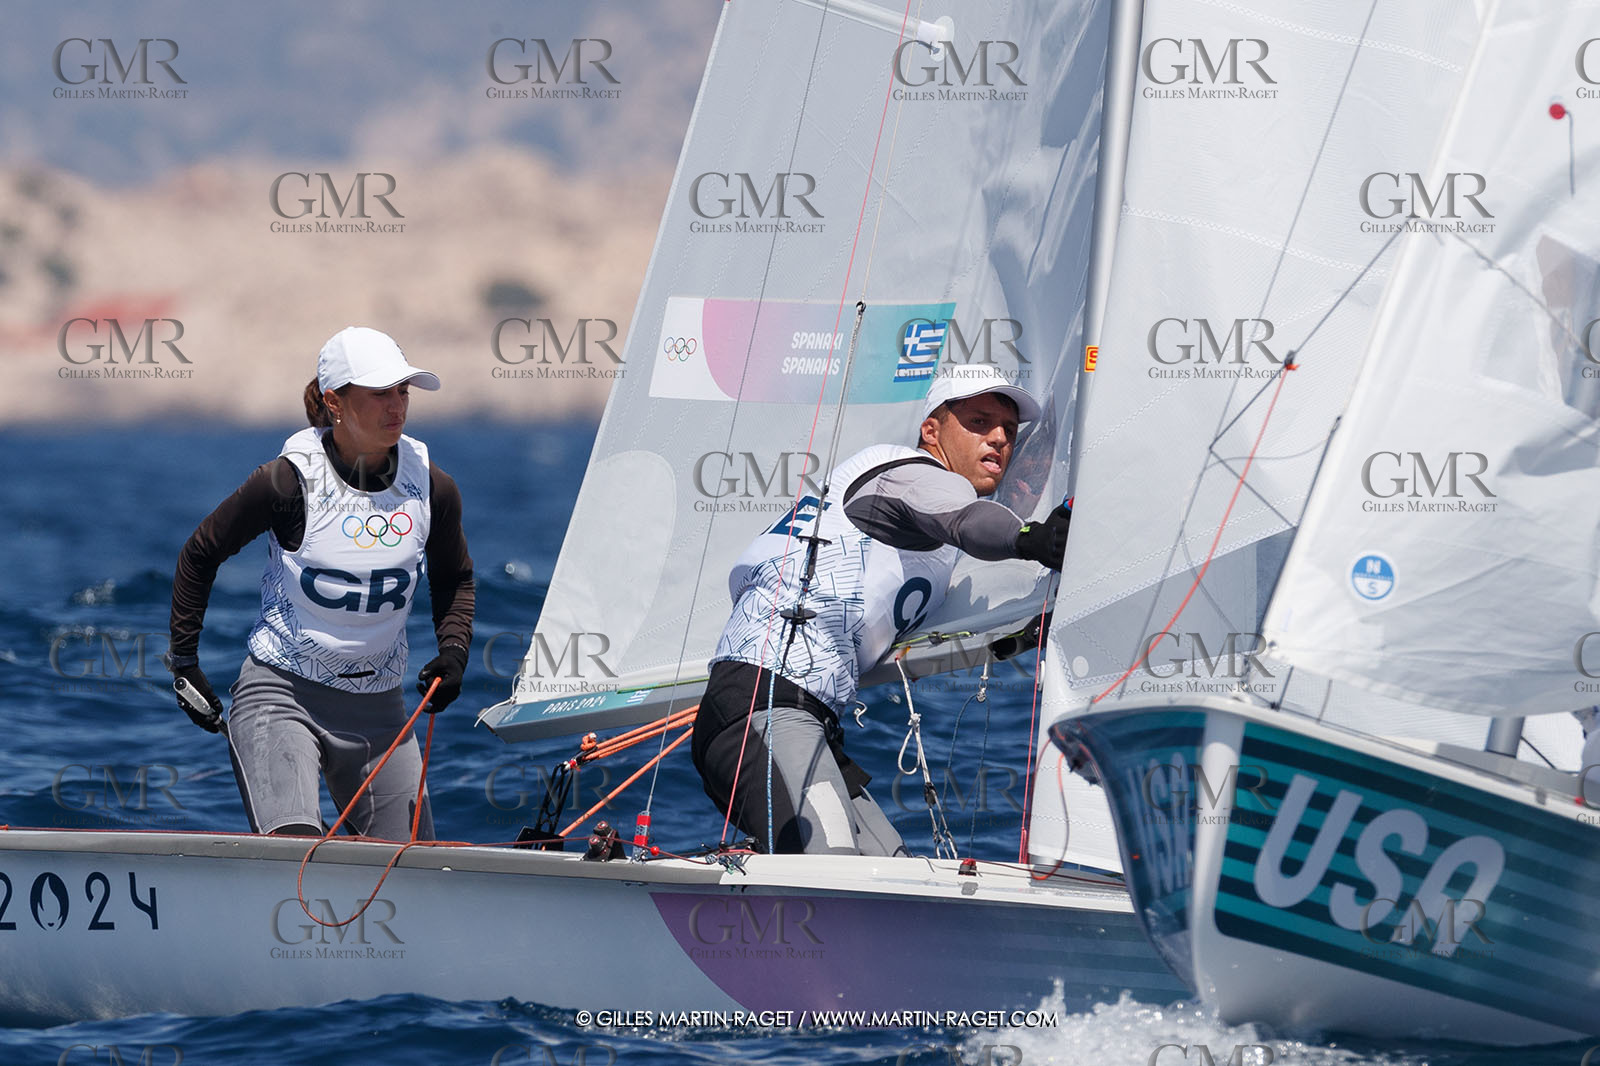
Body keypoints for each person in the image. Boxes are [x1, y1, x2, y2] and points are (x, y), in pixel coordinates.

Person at [692, 366, 1072, 855]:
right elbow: (967, 520)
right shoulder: (903, 472)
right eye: (979, 422)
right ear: (931, 431)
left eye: (1010, 431)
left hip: (811, 721)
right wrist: (1032, 538)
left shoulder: (926, 538)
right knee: (832, 867)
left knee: (894, 872)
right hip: (761, 707)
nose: (999, 438)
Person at [166, 326, 475, 840]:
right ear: (334, 402)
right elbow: (200, 554)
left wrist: (454, 651)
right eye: (380, 393)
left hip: (380, 710)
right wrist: (184, 664)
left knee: (414, 866)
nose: (397, 406)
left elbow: (455, 578)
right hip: (280, 696)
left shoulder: (432, 486)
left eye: (402, 391)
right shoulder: (285, 481)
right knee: (296, 847)